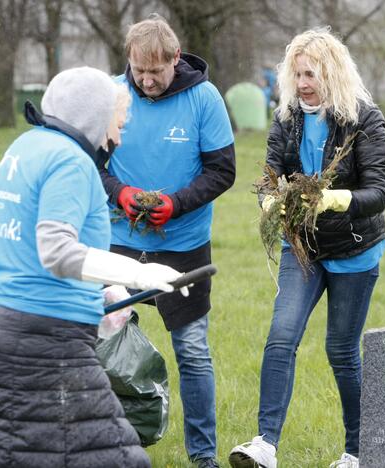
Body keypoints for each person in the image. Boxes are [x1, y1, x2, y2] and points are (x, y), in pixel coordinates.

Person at [0, 66, 190, 468]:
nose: (119, 136)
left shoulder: (22, 150)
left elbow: (4, 251)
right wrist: (140, 274)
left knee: (27, 456)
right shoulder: (71, 161)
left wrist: (102, 287)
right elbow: (57, 252)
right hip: (46, 343)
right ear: (94, 116)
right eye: (118, 123)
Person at [228, 28, 385, 468]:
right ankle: (264, 445)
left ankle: (357, 452)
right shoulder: (286, 119)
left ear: (332, 73)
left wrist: (332, 199)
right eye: (297, 74)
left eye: (312, 74)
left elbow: (378, 193)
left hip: (355, 250)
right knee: (281, 338)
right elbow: (269, 175)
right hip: (301, 247)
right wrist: (269, 202)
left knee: (340, 350)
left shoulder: (364, 120)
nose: (303, 83)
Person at [95, 14, 236, 468]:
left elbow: (222, 171)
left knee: (192, 350)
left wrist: (175, 203)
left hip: (183, 244)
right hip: (118, 240)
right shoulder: (113, 95)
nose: (147, 80)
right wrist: (121, 193)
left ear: (176, 59)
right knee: (102, 343)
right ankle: (105, 443)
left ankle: (203, 455)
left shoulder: (204, 98)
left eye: (156, 71)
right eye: (139, 70)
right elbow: (90, 165)